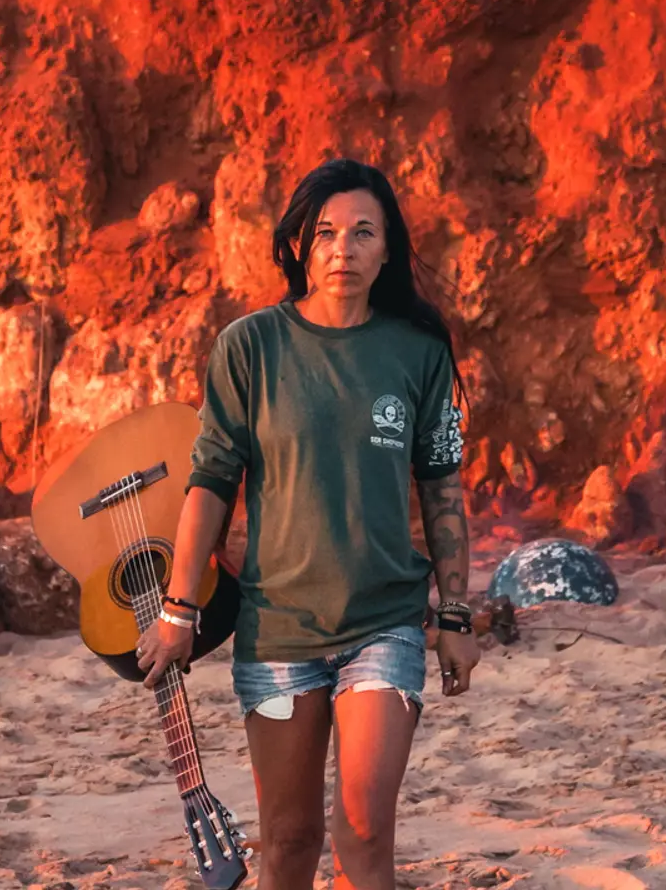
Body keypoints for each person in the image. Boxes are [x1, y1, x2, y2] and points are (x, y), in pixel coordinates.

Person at [136, 158, 479, 890]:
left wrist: (455, 614)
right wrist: (177, 607)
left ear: (387, 248)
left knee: (363, 830)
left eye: (362, 232)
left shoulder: (419, 352)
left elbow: (443, 489)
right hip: (279, 630)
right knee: (288, 840)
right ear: (298, 243)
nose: (342, 250)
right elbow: (210, 484)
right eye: (324, 233)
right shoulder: (249, 347)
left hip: (384, 624)